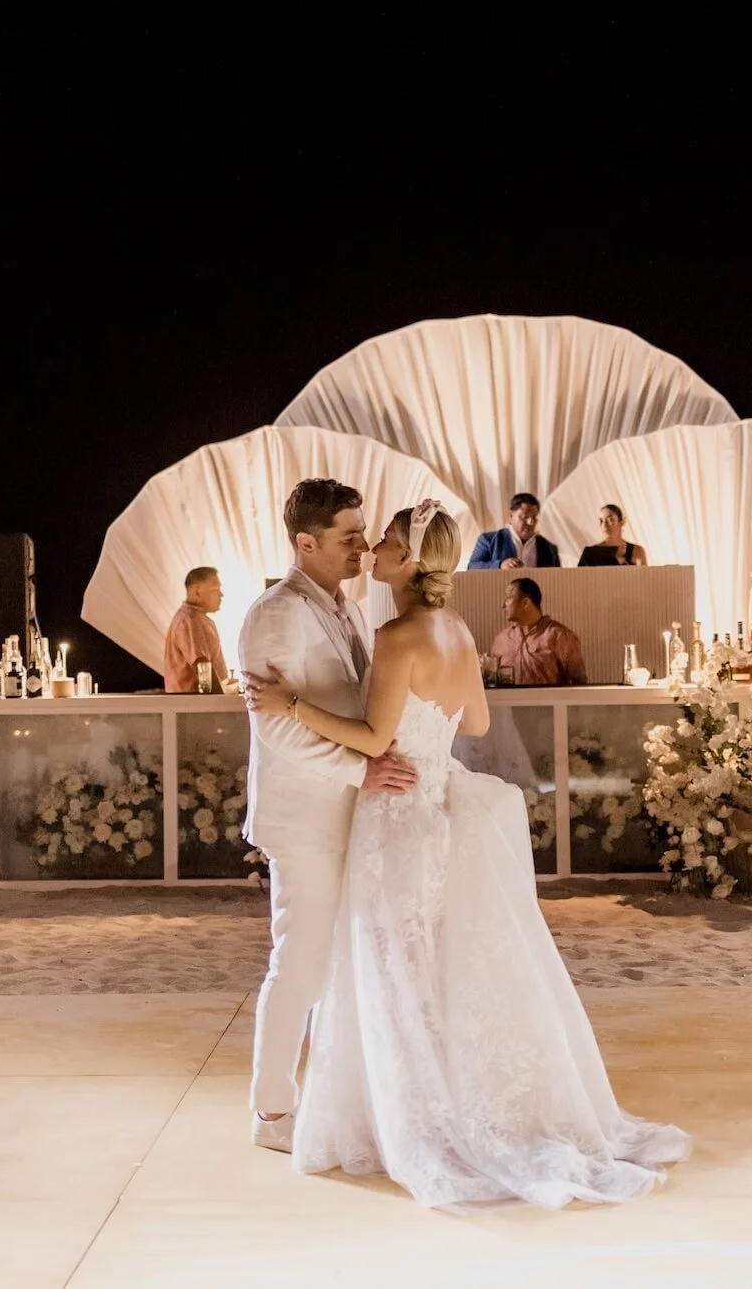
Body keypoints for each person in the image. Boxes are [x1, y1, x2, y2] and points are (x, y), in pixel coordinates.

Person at [243, 500, 689, 1209]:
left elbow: (371, 736)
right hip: (432, 804)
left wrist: (292, 706)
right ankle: (420, 1100)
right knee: (425, 968)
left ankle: (410, 1115)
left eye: (382, 539)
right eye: (360, 537)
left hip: (393, 817)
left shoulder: (390, 630)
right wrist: (427, 727)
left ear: (408, 560)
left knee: (396, 971)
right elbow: (474, 719)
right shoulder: (451, 627)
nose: (371, 548)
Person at [235, 478, 418, 1155]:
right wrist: (361, 770)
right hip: (306, 818)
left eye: (364, 533)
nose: (363, 546)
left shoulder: (345, 608)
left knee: (341, 960)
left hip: (352, 813)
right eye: (349, 537)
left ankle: (338, 1095)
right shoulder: (274, 615)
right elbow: (275, 729)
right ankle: (272, 1111)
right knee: (301, 961)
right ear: (304, 543)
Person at [490, 577, 588, 685]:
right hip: (508, 702)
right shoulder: (501, 640)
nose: (503, 605)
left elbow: (579, 682)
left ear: (526, 603)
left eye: (508, 598)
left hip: (549, 701)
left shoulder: (558, 636)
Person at [163, 566, 232, 692]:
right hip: (195, 706)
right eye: (214, 590)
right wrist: (221, 702)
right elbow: (202, 667)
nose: (221, 594)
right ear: (196, 591)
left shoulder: (197, 619)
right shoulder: (189, 621)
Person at [468, 492, 561, 569]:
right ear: (510, 516)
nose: (531, 522)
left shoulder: (550, 548)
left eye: (534, 517)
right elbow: (472, 567)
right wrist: (499, 565)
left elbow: (558, 580)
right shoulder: (489, 540)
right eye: (524, 517)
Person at [577, 504, 648, 566]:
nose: (604, 525)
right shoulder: (590, 554)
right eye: (601, 521)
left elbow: (644, 579)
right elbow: (579, 579)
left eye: (610, 520)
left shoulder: (637, 552)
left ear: (621, 522)